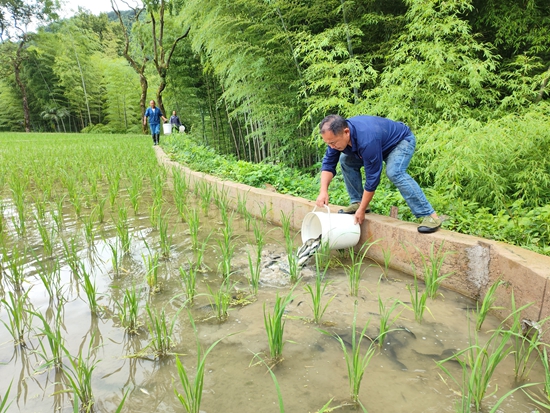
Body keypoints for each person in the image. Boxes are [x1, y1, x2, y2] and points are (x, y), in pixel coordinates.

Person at [316, 114, 442, 233]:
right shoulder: (335, 139)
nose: (331, 146)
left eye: (333, 143)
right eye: (328, 143)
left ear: (346, 132)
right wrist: (323, 191)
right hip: (379, 144)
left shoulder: (366, 139)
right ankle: (357, 202)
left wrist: (362, 211)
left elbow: (372, 179)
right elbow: (328, 164)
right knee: (346, 160)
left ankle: (430, 216)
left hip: (400, 142)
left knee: (394, 172)